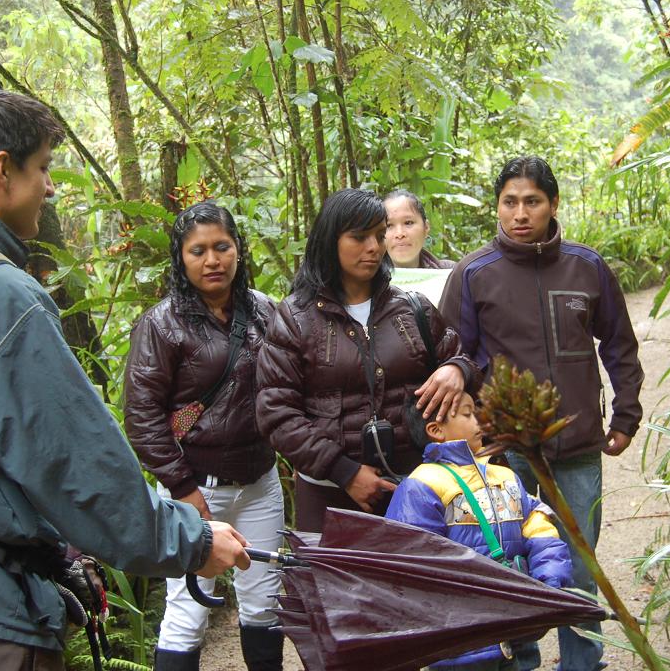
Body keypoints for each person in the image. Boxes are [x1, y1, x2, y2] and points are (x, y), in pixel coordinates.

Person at [0, 88, 249, 671]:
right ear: (2, 170)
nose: (50, 187)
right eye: (44, 168)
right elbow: (75, 463)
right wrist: (194, 541)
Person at [439, 156, 645, 671]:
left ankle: (582, 664)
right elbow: (450, 359)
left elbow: (619, 345)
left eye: (532, 201)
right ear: (498, 208)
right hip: (502, 454)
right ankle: (521, 662)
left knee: (580, 565)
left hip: (575, 448)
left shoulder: (587, 267)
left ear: (553, 205)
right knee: (512, 564)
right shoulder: (473, 274)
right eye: (510, 202)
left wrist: (625, 416)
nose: (520, 213)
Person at [256, 188, 481, 532]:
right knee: (334, 585)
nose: (375, 247)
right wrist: (344, 472)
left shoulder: (412, 307)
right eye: (359, 237)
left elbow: (460, 359)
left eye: (379, 235)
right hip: (329, 495)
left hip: (420, 491)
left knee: (415, 584)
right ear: (330, 239)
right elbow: (276, 412)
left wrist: (458, 369)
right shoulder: (295, 317)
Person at [123, 202, 284, 671]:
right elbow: (143, 416)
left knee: (264, 604)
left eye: (221, 247)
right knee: (188, 610)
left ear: (237, 249)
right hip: (193, 486)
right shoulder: (161, 323)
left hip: (259, 483)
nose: (212, 260)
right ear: (181, 258)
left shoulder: (266, 312)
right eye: (198, 251)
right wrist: (183, 489)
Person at [387, 392, 572, 671]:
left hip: (512, 627)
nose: (480, 421)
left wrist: (550, 579)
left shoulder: (504, 476)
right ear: (436, 431)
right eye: (467, 413)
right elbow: (413, 560)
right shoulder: (422, 485)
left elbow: (537, 526)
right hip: (461, 640)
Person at [384, 189, 455, 269]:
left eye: (408, 223)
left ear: (426, 227)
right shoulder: (368, 277)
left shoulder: (451, 272)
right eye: (389, 225)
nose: (399, 234)